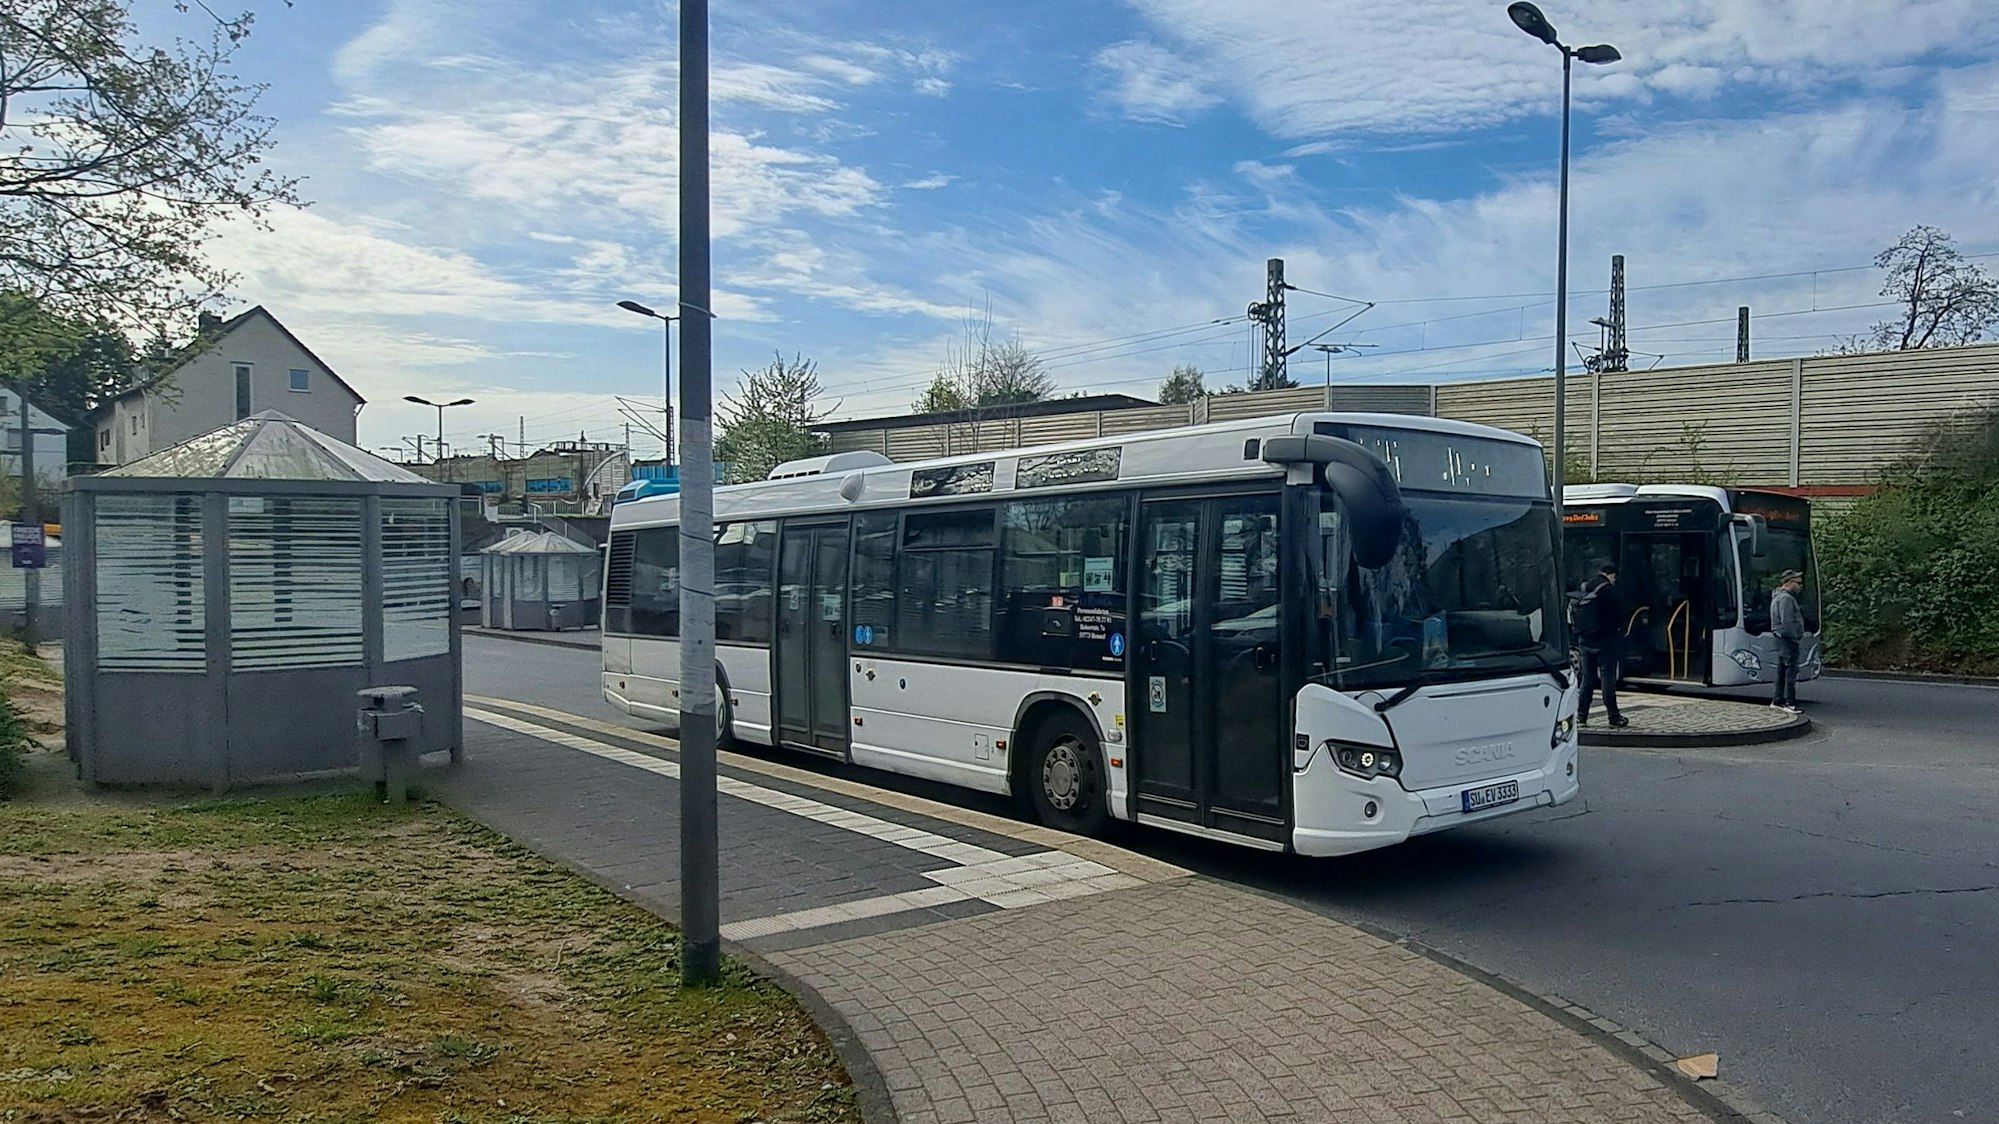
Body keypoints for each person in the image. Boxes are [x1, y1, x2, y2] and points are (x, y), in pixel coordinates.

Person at [1573, 563, 1628, 728]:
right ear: (1612, 575)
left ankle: (1581, 716)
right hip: (1606, 643)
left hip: (1585, 641)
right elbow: (1621, 613)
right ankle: (1614, 716)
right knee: (1607, 678)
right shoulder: (1611, 591)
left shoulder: (1585, 587)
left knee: (1587, 679)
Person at [1769, 569, 1806, 713]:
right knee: (1791, 670)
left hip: (1781, 638)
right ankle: (1790, 702)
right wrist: (1795, 636)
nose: (1800, 586)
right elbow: (1787, 621)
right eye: (1798, 583)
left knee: (1782, 669)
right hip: (1788, 639)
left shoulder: (1777, 597)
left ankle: (1778, 700)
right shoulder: (1786, 599)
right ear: (1790, 582)